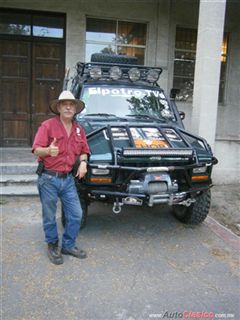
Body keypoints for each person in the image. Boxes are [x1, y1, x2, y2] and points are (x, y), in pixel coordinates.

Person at [32, 90, 90, 265]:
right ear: (58, 107)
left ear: (75, 109)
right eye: (64, 104)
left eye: (71, 104)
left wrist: (83, 163)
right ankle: (52, 245)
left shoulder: (79, 130)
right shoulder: (47, 126)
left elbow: (84, 151)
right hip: (48, 179)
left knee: (76, 215)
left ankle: (68, 245)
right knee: (49, 216)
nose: (68, 107)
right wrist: (48, 150)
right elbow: (36, 149)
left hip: (68, 180)